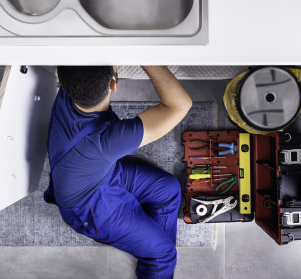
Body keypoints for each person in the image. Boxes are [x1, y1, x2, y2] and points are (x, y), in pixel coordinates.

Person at [44, 66, 192, 278]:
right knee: (163, 254)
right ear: (114, 84)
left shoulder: (70, 88)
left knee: (168, 189)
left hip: (100, 175)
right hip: (88, 207)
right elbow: (180, 105)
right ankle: (154, 254)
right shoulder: (108, 140)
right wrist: (143, 54)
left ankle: (148, 247)